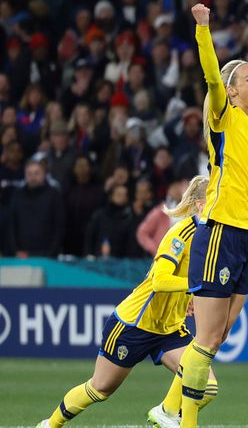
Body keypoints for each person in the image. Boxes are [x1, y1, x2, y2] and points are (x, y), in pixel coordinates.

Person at [36, 177, 215, 428]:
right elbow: (160, 281)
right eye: (217, 197)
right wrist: (195, 287)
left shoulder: (213, 238)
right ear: (200, 204)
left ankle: (166, 413)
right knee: (101, 388)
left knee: (205, 386)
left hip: (170, 327)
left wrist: (187, 298)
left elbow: (189, 279)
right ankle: (50, 425)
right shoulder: (181, 233)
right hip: (135, 323)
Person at [178, 4, 248, 427]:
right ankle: (184, 419)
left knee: (216, 338)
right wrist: (204, 30)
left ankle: (170, 407)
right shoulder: (224, 118)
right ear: (232, 90)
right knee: (205, 338)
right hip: (221, 231)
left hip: (246, 240)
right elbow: (209, 74)